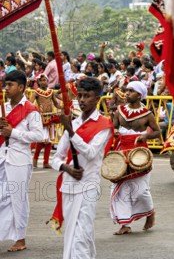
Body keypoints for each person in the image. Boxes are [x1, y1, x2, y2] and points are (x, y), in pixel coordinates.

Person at [50, 77, 113, 259]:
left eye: (88, 96)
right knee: (72, 234)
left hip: (88, 187)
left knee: (82, 235)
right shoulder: (74, 122)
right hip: (68, 186)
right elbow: (57, 158)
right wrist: (66, 168)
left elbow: (91, 153)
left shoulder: (104, 125)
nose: (83, 100)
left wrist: (70, 131)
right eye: (81, 96)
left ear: (97, 99)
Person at [0, 70, 43, 252]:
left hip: (19, 159)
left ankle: (20, 239)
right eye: (5, 84)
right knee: (2, 198)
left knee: (18, 200)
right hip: (2, 156)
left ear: (21, 87)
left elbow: (39, 135)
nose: (6, 88)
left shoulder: (31, 110)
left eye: (10, 85)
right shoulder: (3, 107)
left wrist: (14, 132)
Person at [111, 81, 160, 235]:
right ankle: (125, 224)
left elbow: (157, 132)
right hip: (122, 150)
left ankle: (150, 212)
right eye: (127, 90)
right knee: (121, 189)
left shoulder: (147, 113)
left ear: (139, 95)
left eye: (131, 91)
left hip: (140, 152)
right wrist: (115, 132)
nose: (127, 93)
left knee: (140, 190)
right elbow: (113, 127)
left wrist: (145, 135)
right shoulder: (119, 111)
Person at [30, 74, 60, 168]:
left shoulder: (51, 92)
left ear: (47, 81)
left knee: (49, 140)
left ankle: (46, 162)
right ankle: (35, 160)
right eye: (41, 80)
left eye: (45, 80)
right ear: (38, 82)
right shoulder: (36, 92)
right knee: (41, 139)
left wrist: (63, 108)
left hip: (50, 117)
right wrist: (35, 112)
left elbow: (56, 104)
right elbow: (30, 104)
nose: (43, 82)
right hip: (40, 118)